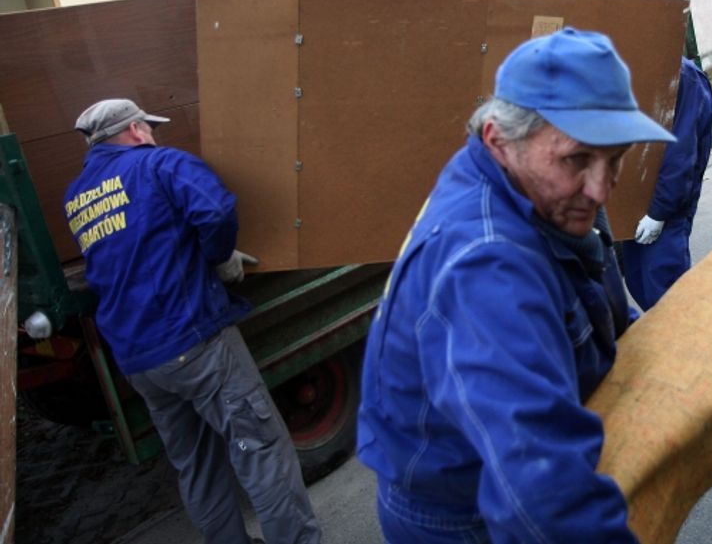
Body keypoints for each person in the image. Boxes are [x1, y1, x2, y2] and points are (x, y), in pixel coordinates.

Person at [356, 28, 676, 542]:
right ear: (498, 140)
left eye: (614, 160)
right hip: (461, 518)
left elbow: (592, 293)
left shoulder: (527, 185)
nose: (600, 189)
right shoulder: (487, 268)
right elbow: (542, 498)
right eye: (576, 159)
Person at [64, 99, 321, 544]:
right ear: (137, 130)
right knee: (260, 450)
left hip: (139, 360)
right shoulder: (160, 164)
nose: (154, 134)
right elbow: (215, 211)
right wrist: (220, 258)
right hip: (193, 341)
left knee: (197, 467)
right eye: (150, 127)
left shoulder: (78, 197)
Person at [621, 56, 712, 310]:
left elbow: (680, 153)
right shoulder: (626, 66)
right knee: (638, 281)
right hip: (632, 201)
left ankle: (692, 345)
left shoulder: (682, 76)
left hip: (665, 207)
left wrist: (659, 212)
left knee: (665, 289)